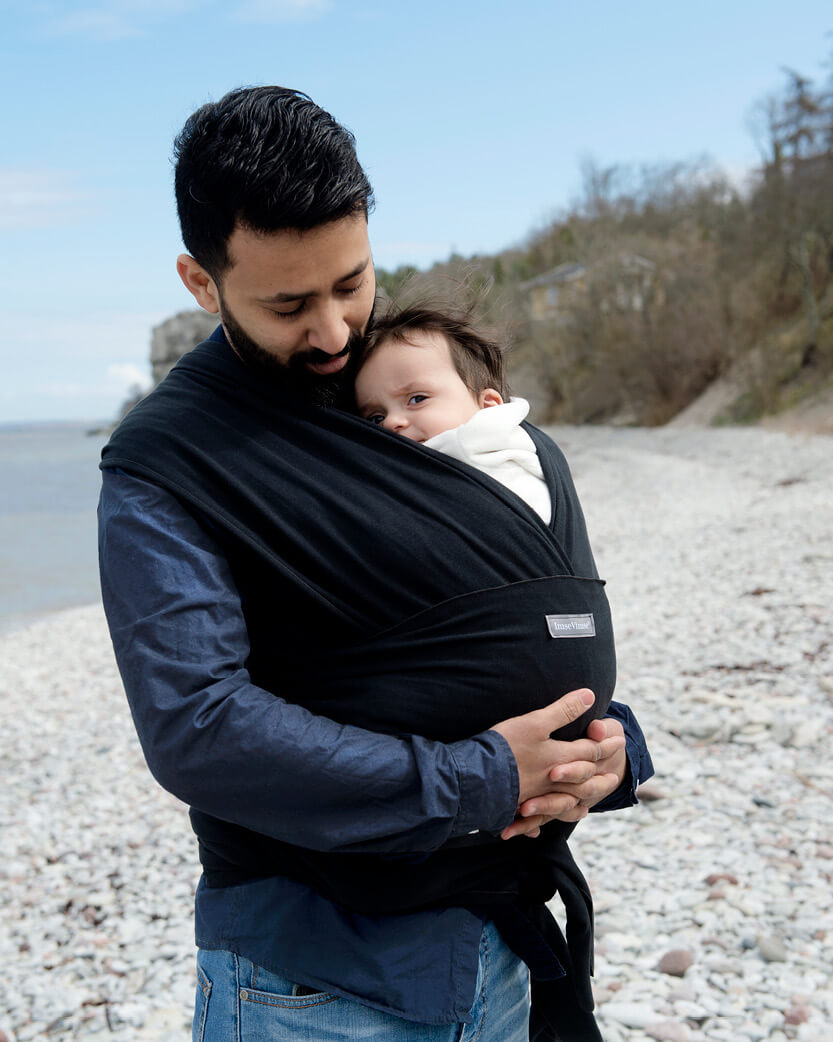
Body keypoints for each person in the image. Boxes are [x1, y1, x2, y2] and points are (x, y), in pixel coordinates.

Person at [98, 86, 653, 1042]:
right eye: (287, 303)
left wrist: (603, 751)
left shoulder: (405, 388)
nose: (331, 331)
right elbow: (196, 725)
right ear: (201, 281)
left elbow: (497, 605)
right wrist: (480, 776)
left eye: (351, 282)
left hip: (501, 942)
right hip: (316, 980)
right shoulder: (168, 465)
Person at [353, 303, 551, 524]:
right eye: (376, 418)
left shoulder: (481, 451)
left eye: (417, 399)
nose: (391, 422)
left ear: (488, 406)